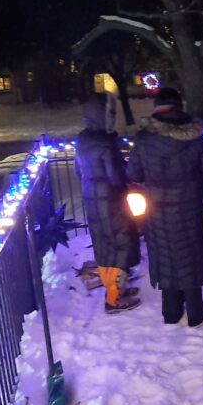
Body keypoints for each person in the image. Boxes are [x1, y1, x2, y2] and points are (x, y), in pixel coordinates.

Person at [127, 87, 203, 328]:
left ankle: (170, 311)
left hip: (158, 211)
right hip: (190, 208)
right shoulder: (195, 137)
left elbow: (134, 174)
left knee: (166, 253)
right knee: (191, 254)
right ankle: (195, 311)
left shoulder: (144, 139)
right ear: (179, 107)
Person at [75, 91, 141, 313]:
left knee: (104, 245)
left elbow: (78, 171)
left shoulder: (82, 140)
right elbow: (116, 176)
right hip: (111, 201)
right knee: (121, 243)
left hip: (91, 199)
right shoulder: (105, 142)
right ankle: (113, 299)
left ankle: (115, 288)